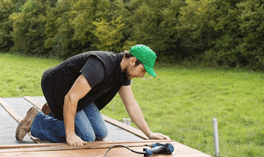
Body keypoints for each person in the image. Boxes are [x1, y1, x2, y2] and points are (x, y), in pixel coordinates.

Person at [15, 44, 170, 146]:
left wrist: (149, 134)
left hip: (81, 95)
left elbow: (131, 104)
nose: (142, 76)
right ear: (132, 61)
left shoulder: (123, 74)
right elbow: (71, 97)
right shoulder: (101, 65)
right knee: (86, 136)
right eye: (142, 70)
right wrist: (70, 134)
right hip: (59, 88)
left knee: (101, 133)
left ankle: (54, 111)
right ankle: (36, 121)